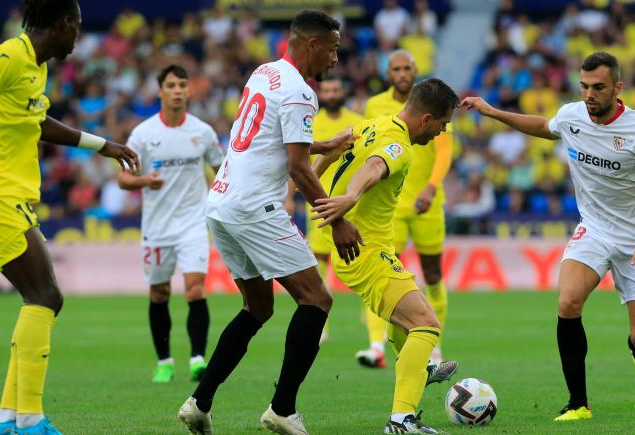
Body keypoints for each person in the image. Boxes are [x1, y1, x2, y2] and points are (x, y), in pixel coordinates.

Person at [0, 1, 139, 435]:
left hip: (8, 194)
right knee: (46, 294)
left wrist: (103, 145)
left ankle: (8, 421)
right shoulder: (5, 58)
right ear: (63, 24)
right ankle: (29, 421)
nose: (79, 37)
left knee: (41, 297)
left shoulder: (36, 66)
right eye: (77, 27)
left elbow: (36, 122)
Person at [177, 10, 362, 435]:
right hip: (254, 206)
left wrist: (323, 143)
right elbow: (298, 167)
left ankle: (199, 402)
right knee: (317, 300)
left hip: (221, 203)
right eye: (333, 49)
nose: (336, 60)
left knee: (258, 307)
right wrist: (336, 220)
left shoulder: (265, 72)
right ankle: (282, 408)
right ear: (313, 45)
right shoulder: (300, 92)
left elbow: (269, 135)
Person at [461, 51, 635, 422]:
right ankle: (578, 404)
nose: (589, 94)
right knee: (568, 302)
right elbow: (543, 126)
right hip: (594, 229)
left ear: (618, 88)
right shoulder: (572, 115)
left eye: (599, 87)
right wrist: (494, 112)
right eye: (585, 86)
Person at [312, 78, 459, 434]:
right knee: (427, 324)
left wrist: (313, 185)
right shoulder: (400, 145)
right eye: (442, 124)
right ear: (426, 119)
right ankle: (400, 420)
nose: (441, 132)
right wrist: (350, 197)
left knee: (406, 319)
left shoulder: (368, 125)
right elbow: (375, 166)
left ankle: (418, 371)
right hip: (366, 250)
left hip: (362, 249)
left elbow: (330, 151)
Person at [118, 65, 223, 384]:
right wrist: (143, 180)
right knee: (159, 293)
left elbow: (221, 171)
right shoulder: (144, 134)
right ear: (160, 91)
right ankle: (164, 361)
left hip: (193, 223)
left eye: (182, 85)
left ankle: (197, 359)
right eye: (171, 85)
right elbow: (123, 177)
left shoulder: (202, 132)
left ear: (188, 91)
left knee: (195, 290)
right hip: (157, 227)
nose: (177, 90)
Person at [357, 49, 454, 367]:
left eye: (406, 68)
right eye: (395, 68)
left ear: (414, 71)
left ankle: (434, 344)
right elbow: (367, 148)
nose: (401, 73)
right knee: (385, 275)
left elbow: (443, 152)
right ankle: (376, 345)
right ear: (388, 73)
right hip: (392, 206)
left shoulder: (434, 103)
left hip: (427, 203)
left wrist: (430, 187)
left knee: (433, 274)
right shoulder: (375, 106)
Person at [304, 76, 364, 344]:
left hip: (351, 203)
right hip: (317, 201)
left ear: (343, 91)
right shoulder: (311, 123)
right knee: (318, 263)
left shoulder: (357, 121)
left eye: (335, 88)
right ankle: (320, 324)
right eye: (326, 90)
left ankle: (371, 319)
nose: (331, 93)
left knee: (361, 259)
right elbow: (299, 162)